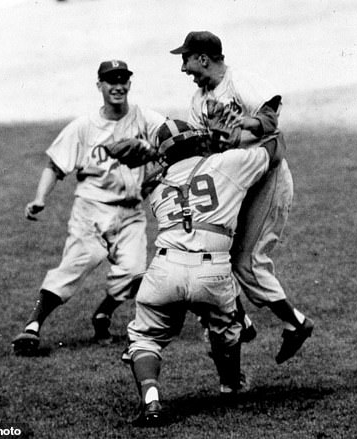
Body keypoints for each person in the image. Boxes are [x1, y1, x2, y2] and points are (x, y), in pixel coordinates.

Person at [123, 119, 287, 426]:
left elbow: (157, 173)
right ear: (198, 142)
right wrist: (262, 122)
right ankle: (230, 384)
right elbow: (275, 149)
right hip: (212, 269)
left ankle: (152, 401)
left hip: (164, 267)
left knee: (144, 338)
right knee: (226, 331)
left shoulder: (155, 186)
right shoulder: (228, 163)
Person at [170, 31, 314, 364]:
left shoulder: (240, 81)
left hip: (266, 178)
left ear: (203, 58)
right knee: (212, 253)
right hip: (236, 184)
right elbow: (204, 146)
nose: (183, 69)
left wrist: (241, 124)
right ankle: (241, 320)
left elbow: (269, 120)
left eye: (186, 60)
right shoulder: (198, 99)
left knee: (247, 264)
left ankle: (297, 324)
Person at [11, 60, 166, 355]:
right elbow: (55, 165)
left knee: (135, 273)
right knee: (77, 263)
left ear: (130, 84)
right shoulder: (84, 126)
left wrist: (155, 150)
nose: (118, 86)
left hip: (131, 212)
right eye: (111, 81)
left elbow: (171, 135)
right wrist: (39, 198)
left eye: (123, 80)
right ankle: (32, 326)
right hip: (91, 210)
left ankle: (103, 313)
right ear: (100, 86)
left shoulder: (145, 118)